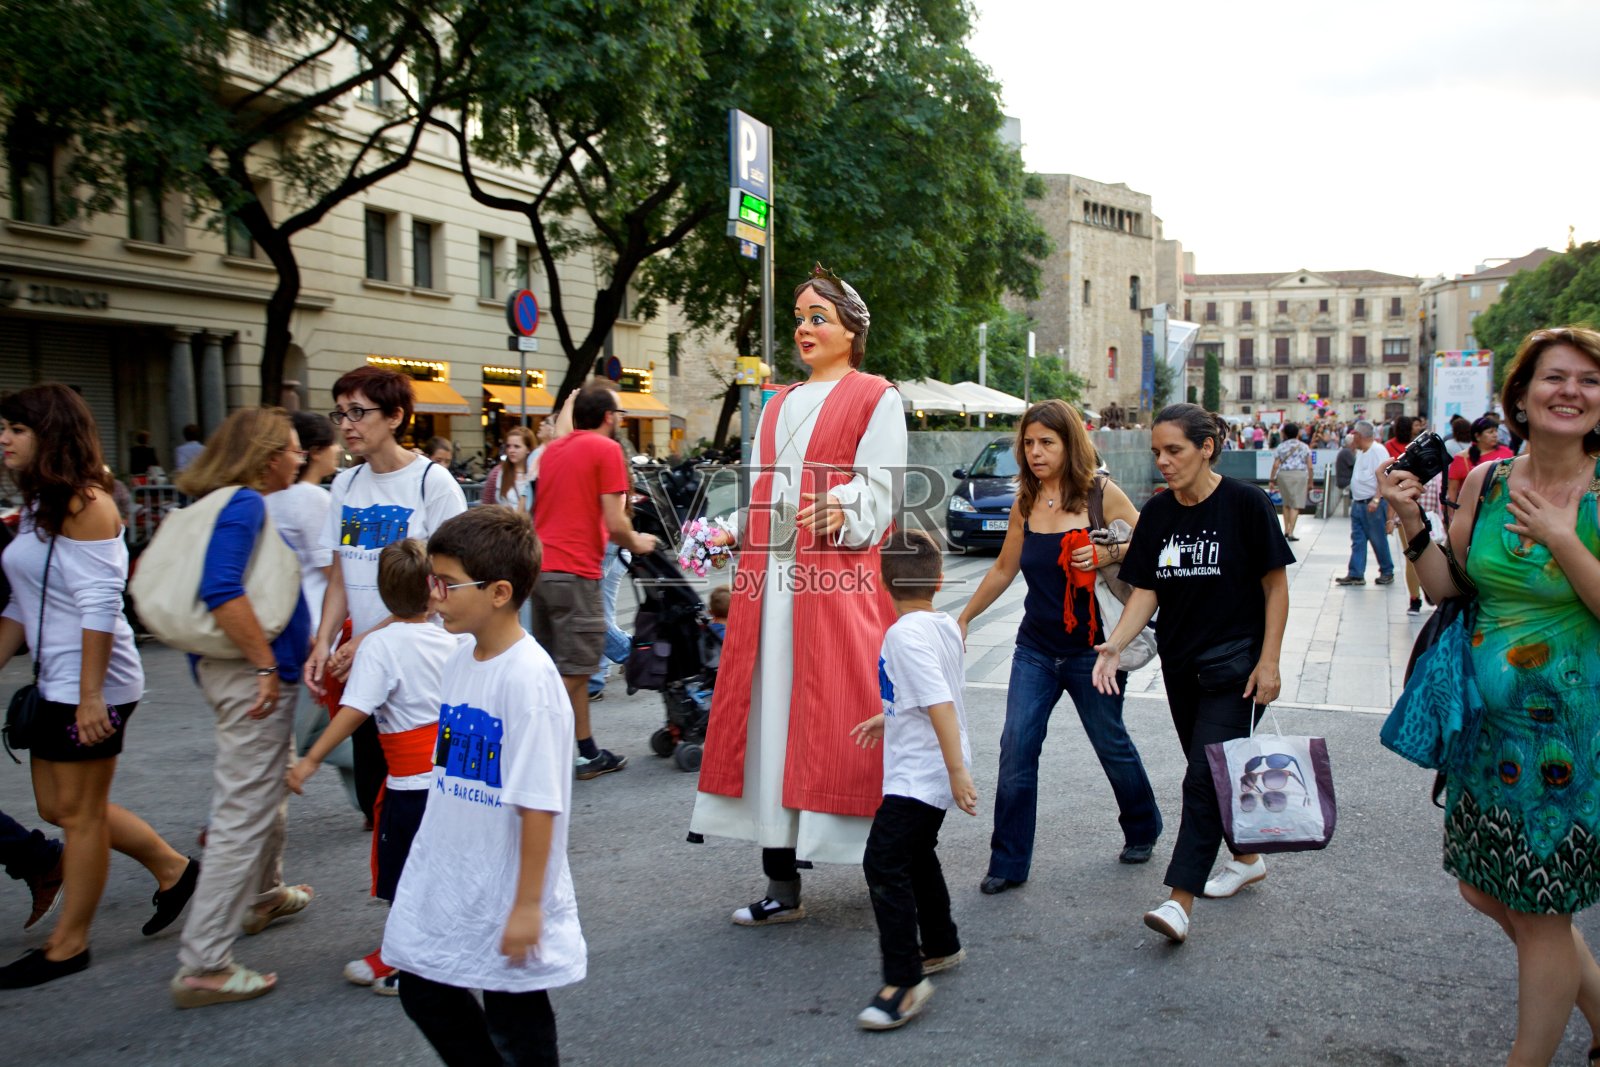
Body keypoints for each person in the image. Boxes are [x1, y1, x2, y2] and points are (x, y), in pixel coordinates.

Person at [1379, 325, 1600, 1063]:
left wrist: (1563, 537)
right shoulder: (1488, 481)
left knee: (1541, 909)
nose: (1572, 391)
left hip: (1568, 737)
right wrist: (1411, 518)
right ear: (1522, 396)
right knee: (1487, 889)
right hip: (1484, 725)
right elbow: (1451, 587)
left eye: (1589, 380)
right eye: (1555, 377)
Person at [692, 265, 907, 925]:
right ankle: (780, 884)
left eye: (819, 317)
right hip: (770, 591)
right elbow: (765, 491)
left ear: (851, 328)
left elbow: (883, 485)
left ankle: (887, 870)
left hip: (836, 586)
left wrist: (846, 504)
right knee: (769, 727)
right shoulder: (777, 403)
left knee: (845, 716)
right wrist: (730, 533)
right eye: (800, 318)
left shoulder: (876, 396)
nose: (804, 328)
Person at [0, 384, 197, 989]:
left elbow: (100, 607)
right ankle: (174, 869)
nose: (4, 439)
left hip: (95, 683)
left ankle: (69, 945)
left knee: (79, 816)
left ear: (51, 434)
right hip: (55, 679)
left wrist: (90, 696)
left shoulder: (88, 504)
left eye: (17, 429)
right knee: (56, 807)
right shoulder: (38, 505)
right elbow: (21, 602)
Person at [382, 507, 585, 1065]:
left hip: (506, 880)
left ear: (499, 592)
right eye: (433, 581)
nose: (435, 596)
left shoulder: (529, 681)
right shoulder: (458, 658)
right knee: (423, 989)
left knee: (516, 1018)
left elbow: (539, 804)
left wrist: (527, 906)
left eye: (446, 584)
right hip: (454, 870)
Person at [1091, 403, 1293, 944]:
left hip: (1237, 668)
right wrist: (1114, 645)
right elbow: (1147, 590)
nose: (1163, 461)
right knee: (1215, 775)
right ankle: (1247, 859)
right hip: (1181, 669)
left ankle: (1179, 899)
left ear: (1207, 448)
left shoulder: (1246, 503)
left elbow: (1275, 586)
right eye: (1157, 451)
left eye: (1174, 450)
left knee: (1202, 778)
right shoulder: (1159, 513)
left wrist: (1270, 661)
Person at [956, 399, 1160, 895]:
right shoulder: (1025, 502)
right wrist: (963, 618)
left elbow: (1150, 544)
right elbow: (1004, 568)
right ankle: (1008, 861)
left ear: (1070, 444)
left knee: (1110, 743)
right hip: (1035, 649)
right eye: (1028, 443)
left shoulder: (1101, 493)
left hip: (1095, 650)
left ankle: (1143, 825)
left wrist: (1109, 551)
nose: (1035, 452)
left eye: (1046, 442)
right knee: (1016, 747)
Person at [168, 407, 314, 1008]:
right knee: (241, 814)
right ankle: (204, 964)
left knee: (262, 790)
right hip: (251, 680)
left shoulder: (222, 502)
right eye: (294, 449)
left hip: (242, 675)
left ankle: (263, 895)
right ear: (267, 456)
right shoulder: (245, 504)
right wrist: (263, 665)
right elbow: (222, 590)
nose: (301, 457)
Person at [287, 539, 461, 996]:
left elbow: (354, 711)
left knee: (404, 873)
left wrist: (311, 759)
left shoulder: (380, 646)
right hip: (449, 778)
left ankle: (410, 960)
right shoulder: (453, 641)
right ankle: (418, 948)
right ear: (435, 589)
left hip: (409, 784)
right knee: (433, 867)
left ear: (381, 596)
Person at [305, 366, 467, 823]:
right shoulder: (345, 485)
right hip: (367, 661)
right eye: (340, 414)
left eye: (358, 412)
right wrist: (323, 642)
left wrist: (366, 640)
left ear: (395, 416)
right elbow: (340, 575)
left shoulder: (432, 483)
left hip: (423, 664)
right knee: (374, 795)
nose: (347, 424)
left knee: (427, 792)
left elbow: (446, 586)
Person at [848, 529, 974, 1031]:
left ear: (883, 584)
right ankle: (941, 944)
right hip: (936, 764)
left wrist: (957, 774)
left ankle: (904, 982)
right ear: (939, 581)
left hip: (921, 774)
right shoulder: (945, 626)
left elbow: (940, 702)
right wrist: (888, 717)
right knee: (917, 854)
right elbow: (927, 693)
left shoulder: (902, 635)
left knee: (882, 861)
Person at [530, 381, 656, 777]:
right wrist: (639, 542)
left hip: (541, 572)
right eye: (618, 413)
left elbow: (562, 434)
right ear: (607, 417)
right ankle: (517, 746)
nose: (620, 420)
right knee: (576, 671)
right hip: (575, 573)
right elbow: (616, 523)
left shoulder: (553, 450)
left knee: (569, 668)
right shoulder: (606, 449)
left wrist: (570, 401)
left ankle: (587, 753)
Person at [1335, 420, 1395, 586]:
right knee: (1358, 539)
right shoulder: (1361, 452)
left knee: (1378, 539)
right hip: (1358, 502)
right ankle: (1356, 573)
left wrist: (1376, 498)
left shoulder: (1378, 450)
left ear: (1359, 435)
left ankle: (1387, 571)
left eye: (1354, 434)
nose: (1352, 438)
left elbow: (1385, 477)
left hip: (1372, 503)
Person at [1447, 415, 1514, 505]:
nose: (1495, 435)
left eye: (1496, 431)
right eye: (1490, 432)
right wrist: (1451, 511)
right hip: (1472, 508)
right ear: (1477, 436)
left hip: (1501, 507)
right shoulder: (1462, 458)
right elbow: (1452, 489)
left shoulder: (1506, 453)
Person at [1267, 422, 1312, 542]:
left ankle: (1286, 530)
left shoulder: (1281, 447)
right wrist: (1311, 482)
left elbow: (1276, 465)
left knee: (1286, 503)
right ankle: (1291, 531)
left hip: (1284, 475)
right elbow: (1310, 466)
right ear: (1297, 433)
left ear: (1285, 433)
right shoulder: (1304, 446)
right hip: (1300, 475)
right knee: (1296, 504)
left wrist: (1271, 479)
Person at [481, 426, 534, 508]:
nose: (511, 450)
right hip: (502, 515)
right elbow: (485, 504)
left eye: (517, 446)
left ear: (528, 449)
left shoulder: (535, 474)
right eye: (508, 446)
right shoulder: (497, 473)